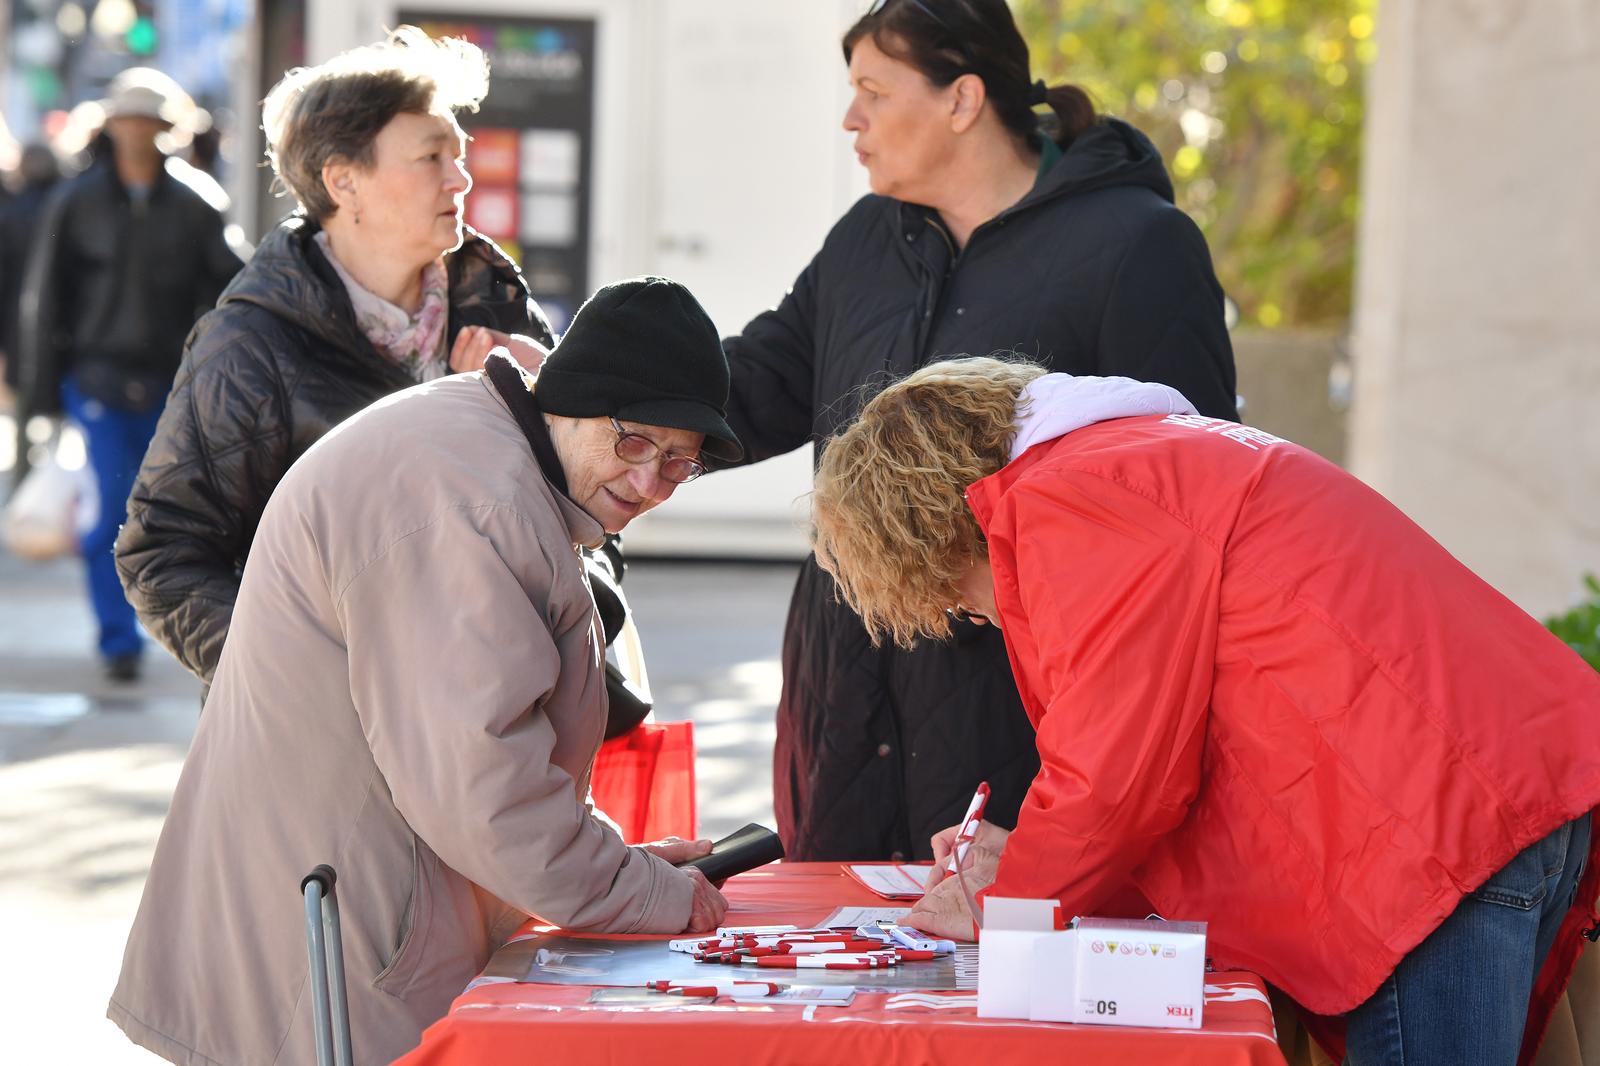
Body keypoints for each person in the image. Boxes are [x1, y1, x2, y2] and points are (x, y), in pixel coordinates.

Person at [810, 356, 1600, 1066]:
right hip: (1496, 788)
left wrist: (1004, 905)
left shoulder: (1070, 500)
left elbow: (1115, 777)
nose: (976, 617)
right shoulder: (1146, 459)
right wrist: (1020, 868)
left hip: (1434, 827)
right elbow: (1163, 760)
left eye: (955, 598)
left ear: (933, 537)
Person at [109, 276, 742, 1066]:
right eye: (635, 441)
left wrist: (613, 862)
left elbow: (483, 751)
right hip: (336, 934)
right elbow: (482, 788)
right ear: (574, 399)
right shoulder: (473, 500)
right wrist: (641, 891)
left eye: (679, 462)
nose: (650, 482)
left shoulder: (485, 450)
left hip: (345, 902)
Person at [718, 0, 1238, 862]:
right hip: (845, 693)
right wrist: (598, 400)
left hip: (1019, 710)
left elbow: (1185, 506)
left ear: (962, 100)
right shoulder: (865, 240)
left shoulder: (1139, 247)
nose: (852, 118)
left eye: (874, 93)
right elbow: (764, 378)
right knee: (837, 966)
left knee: (996, 973)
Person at [115, 27, 549, 689]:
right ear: (344, 181)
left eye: (459, 155)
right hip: (325, 752)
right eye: (432, 156)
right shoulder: (250, 346)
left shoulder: (496, 303)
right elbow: (164, 555)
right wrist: (309, 685)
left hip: (501, 722)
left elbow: (584, 515)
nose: (460, 178)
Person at [15, 68, 243, 679]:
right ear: (111, 125)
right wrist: (41, 395)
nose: (139, 131)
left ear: (169, 128)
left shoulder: (197, 204)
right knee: (113, 509)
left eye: (150, 120)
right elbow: (45, 299)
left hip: (173, 385)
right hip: (97, 381)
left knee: (174, 516)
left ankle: (159, 626)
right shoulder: (76, 202)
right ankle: (119, 641)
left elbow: (233, 292)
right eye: (128, 119)